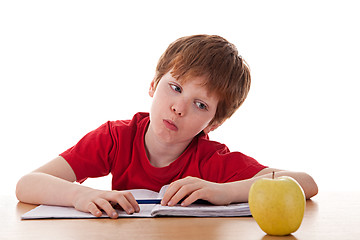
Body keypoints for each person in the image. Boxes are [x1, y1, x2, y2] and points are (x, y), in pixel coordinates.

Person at [16, 34, 318, 219]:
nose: (178, 108)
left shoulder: (210, 159)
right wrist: (79, 196)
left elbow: (305, 183)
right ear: (153, 84)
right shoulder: (115, 138)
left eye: (200, 105)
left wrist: (224, 191)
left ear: (213, 122)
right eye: (175, 88)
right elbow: (27, 184)